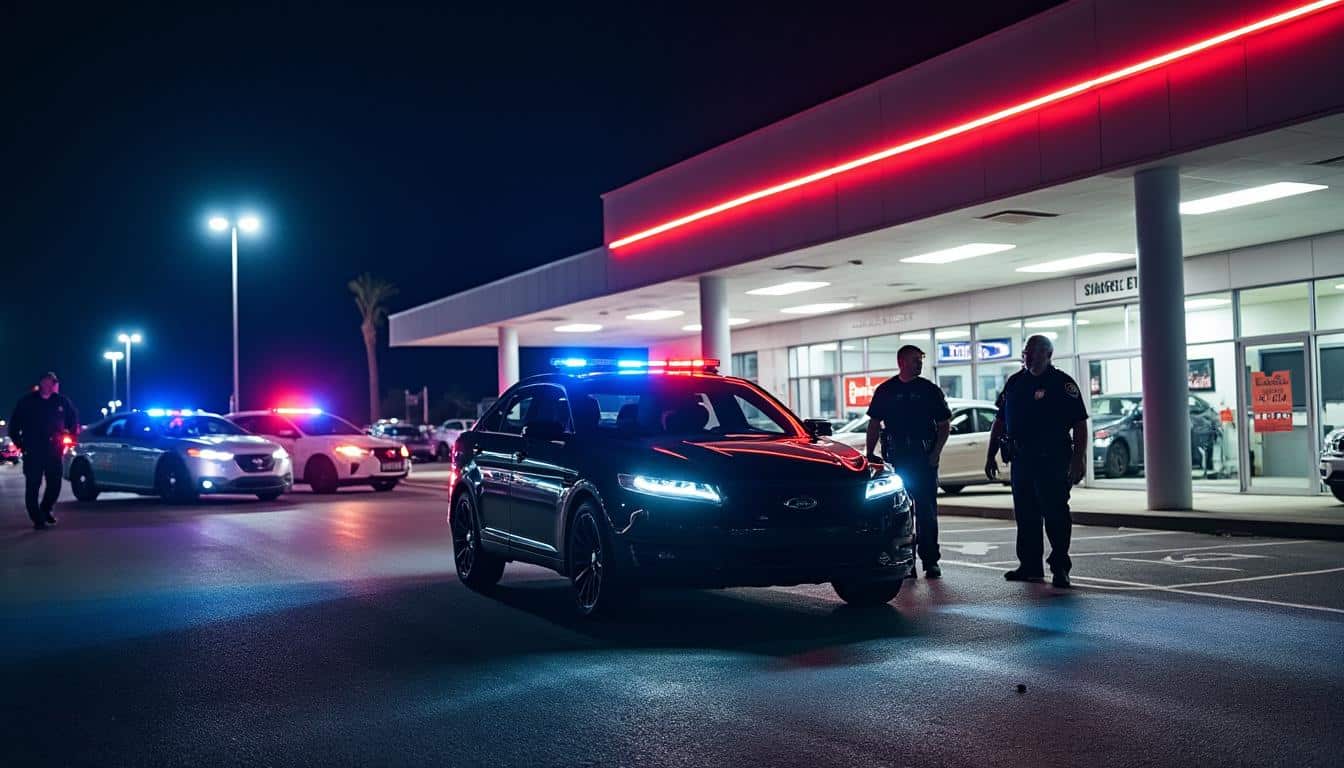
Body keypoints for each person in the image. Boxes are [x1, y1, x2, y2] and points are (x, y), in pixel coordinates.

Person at [984, 335, 1088, 588]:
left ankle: (1060, 567)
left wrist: (1078, 459)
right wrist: (991, 454)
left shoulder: (1062, 383)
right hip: (1022, 459)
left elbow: (1080, 424)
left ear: (1047, 354)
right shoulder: (1015, 382)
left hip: (1052, 459)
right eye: (1026, 351)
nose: (1027, 355)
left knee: (1055, 514)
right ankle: (1030, 565)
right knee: (1026, 515)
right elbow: (1000, 421)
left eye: (1032, 351)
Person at [865, 345, 951, 579]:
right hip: (896, 459)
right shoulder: (886, 390)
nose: (920, 364)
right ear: (901, 361)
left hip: (923, 458)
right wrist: (870, 453)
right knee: (900, 512)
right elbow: (874, 423)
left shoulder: (929, 390)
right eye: (915, 360)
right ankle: (906, 561)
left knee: (926, 511)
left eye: (921, 359)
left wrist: (935, 454)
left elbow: (944, 426)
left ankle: (931, 560)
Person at [9, 372, 79, 530]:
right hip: (33, 451)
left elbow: (73, 420)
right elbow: (14, 426)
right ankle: (37, 518)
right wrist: (21, 444)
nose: (51, 385)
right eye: (48, 381)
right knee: (33, 484)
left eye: (53, 382)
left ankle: (45, 509)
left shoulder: (61, 401)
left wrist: (71, 437)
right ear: (41, 382)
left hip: (54, 450)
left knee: (54, 485)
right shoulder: (27, 402)